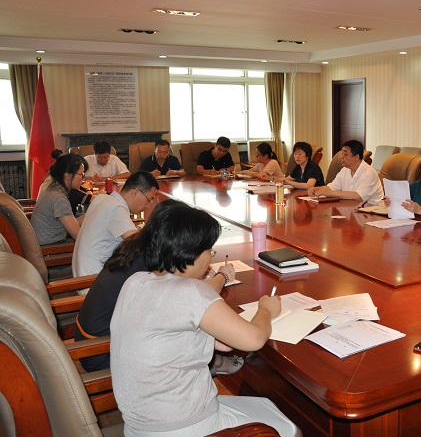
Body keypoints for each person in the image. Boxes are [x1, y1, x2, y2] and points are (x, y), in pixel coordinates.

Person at [110, 203, 298, 437]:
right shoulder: (192, 292)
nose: (211, 256)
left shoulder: (135, 282)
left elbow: (169, 326)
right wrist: (265, 310)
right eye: (209, 250)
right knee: (290, 429)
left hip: (139, 426)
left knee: (266, 405)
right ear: (191, 253)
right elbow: (254, 338)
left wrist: (206, 337)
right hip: (182, 427)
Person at [75, 199, 240, 376]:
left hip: (91, 337)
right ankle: (212, 362)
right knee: (186, 318)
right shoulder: (152, 265)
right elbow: (196, 296)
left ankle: (213, 361)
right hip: (102, 351)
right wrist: (222, 277)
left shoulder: (138, 246)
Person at [72, 171, 159, 283]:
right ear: (135, 192)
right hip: (92, 281)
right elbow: (140, 246)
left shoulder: (102, 198)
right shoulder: (116, 208)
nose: (148, 206)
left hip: (82, 275)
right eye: (149, 200)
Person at [30, 153, 87, 244]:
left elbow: (71, 223)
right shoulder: (59, 198)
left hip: (48, 243)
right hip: (51, 248)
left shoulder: (54, 189)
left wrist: (90, 216)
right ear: (68, 175)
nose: (83, 179)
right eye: (81, 175)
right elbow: (78, 236)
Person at [308, 140, 384, 205]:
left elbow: (358, 196)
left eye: (345, 154)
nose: (341, 157)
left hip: (372, 213)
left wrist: (329, 193)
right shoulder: (345, 170)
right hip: (351, 209)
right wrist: (317, 189)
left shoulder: (369, 172)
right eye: (342, 153)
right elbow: (332, 187)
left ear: (356, 157)